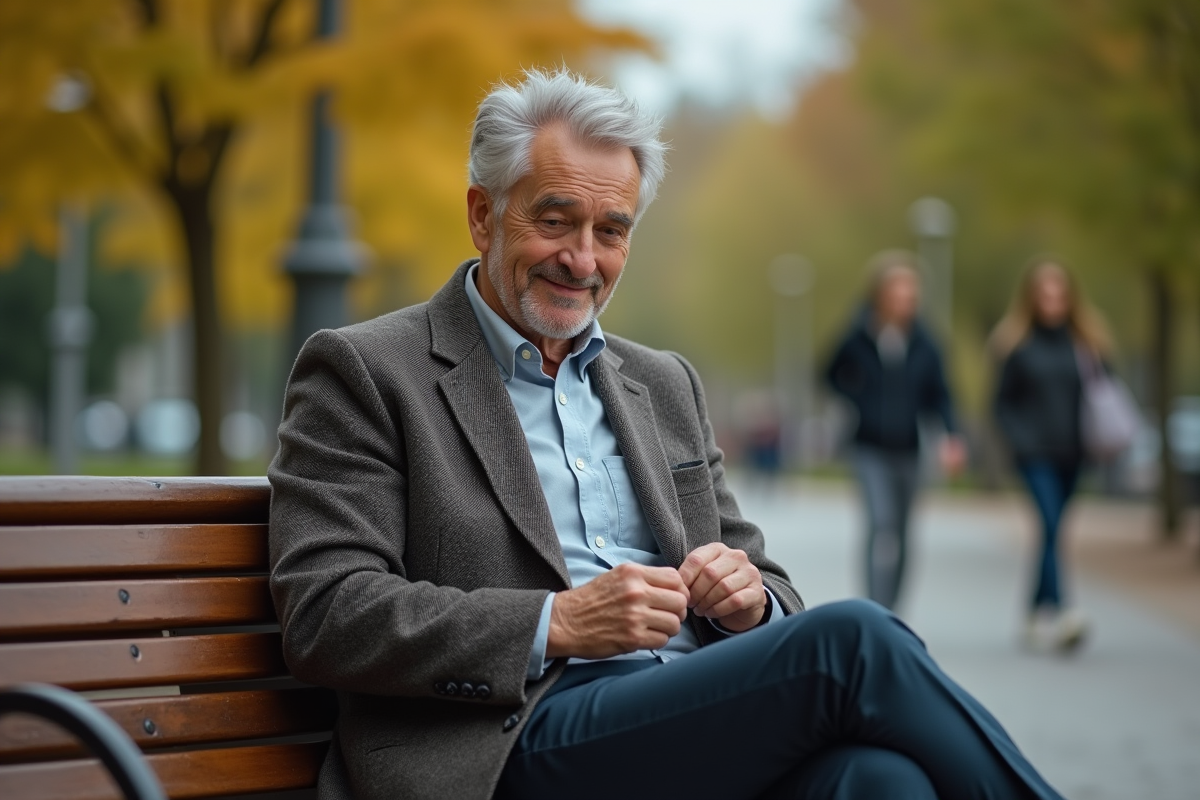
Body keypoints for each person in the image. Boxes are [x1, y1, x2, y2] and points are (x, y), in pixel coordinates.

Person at [269, 69, 1065, 800]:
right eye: (555, 221)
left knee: (880, 780)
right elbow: (327, 611)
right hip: (507, 743)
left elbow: (770, 580)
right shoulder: (368, 371)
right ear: (484, 215)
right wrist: (557, 624)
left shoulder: (662, 383)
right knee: (852, 643)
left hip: (683, 721)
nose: (583, 260)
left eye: (611, 231)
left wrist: (750, 604)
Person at [824, 252, 966, 611]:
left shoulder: (926, 341)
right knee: (880, 523)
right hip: (869, 447)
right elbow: (828, 372)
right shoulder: (858, 335)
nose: (905, 299)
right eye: (898, 292)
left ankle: (893, 610)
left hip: (909, 449)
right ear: (881, 294)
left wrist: (951, 436)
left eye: (911, 293)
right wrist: (858, 399)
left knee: (903, 532)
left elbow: (941, 393)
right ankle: (874, 606)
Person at [991, 257, 1112, 653]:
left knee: (1053, 530)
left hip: (1075, 452)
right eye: (1044, 293)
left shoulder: (1087, 344)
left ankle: (1032, 609)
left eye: (1059, 293)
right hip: (1034, 454)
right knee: (1049, 521)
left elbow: (1105, 390)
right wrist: (1020, 440)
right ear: (1031, 298)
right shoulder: (1016, 346)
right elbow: (1001, 404)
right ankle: (1063, 612)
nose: (1052, 300)